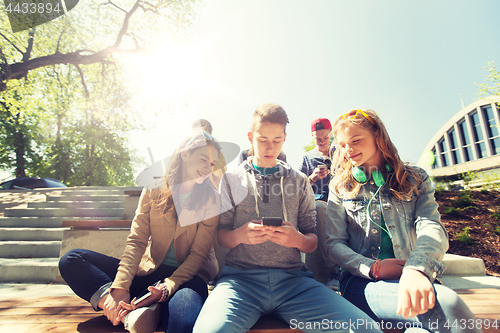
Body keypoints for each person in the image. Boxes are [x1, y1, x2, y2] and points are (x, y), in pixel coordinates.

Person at [193, 103, 382, 333]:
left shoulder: (300, 181)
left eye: (276, 140)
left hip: (295, 283)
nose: (269, 147)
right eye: (262, 140)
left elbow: (312, 241)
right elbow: (222, 236)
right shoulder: (231, 179)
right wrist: (240, 235)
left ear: (285, 138)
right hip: (240, 283)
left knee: (366, 329)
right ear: (251, 137)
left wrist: (296, 239)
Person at [325, 109, 479, 332]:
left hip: (413, 276)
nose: (348, 150)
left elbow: (432, 227)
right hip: (362, 283)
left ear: (378, 136)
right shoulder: (340, 186)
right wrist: (373, 268)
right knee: (446, 304)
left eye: (356, 140)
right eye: (342, 145)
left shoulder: (415, 178)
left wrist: (416, 269)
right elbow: (333, 244)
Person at [59, 130, 223, 333]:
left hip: (187, 278)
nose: (208, 168)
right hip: (150, 272)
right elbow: (137, 241)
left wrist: (165, 288)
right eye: (203, 160)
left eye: (213, 163)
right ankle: (123, 310)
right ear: (185, 154)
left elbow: (198, 255)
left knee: (183, 324)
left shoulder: (212, 199)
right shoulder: (154, 189)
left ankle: (152, 306)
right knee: (71, 259)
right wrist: (119, 289)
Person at [299, 118, 340, 288]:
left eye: (325, 138)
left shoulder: (341, 152)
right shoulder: (308, 158)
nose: (322, 142)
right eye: (317, 139)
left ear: (330, 135)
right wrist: (313, 177)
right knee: (319, 207)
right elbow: (298, 187)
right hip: (319, 203)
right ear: (312, 137)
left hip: (341, 200)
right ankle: (333, 271)